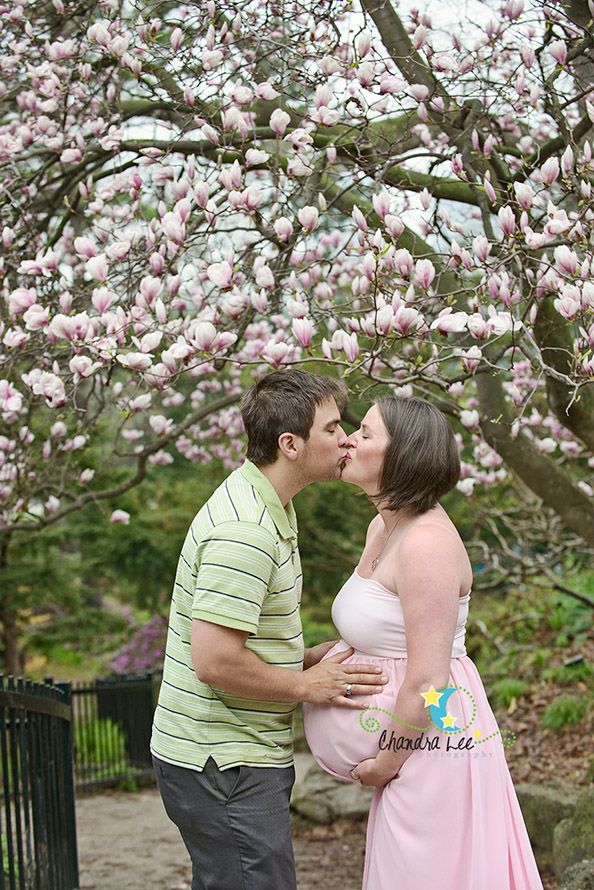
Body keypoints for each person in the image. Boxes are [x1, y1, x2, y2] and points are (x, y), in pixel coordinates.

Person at [150, 369, 389, 890]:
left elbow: (238, 640)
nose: (345, 438)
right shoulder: (246, 529)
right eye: (331, 429)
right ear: (291, 444)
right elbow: (213, 661)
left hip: (231, 757)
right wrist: (307, 685)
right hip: (223, 763)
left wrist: (303, 658)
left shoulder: (266, 503)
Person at [303, 395, 544, 890]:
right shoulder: (382, 528)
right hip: (410, 752)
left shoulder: (427, 545)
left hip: (428, 750)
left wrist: (387, 762)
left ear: (404, 456)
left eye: (365, 434)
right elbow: (383, 633)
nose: (349, 439)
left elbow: (432, 680)